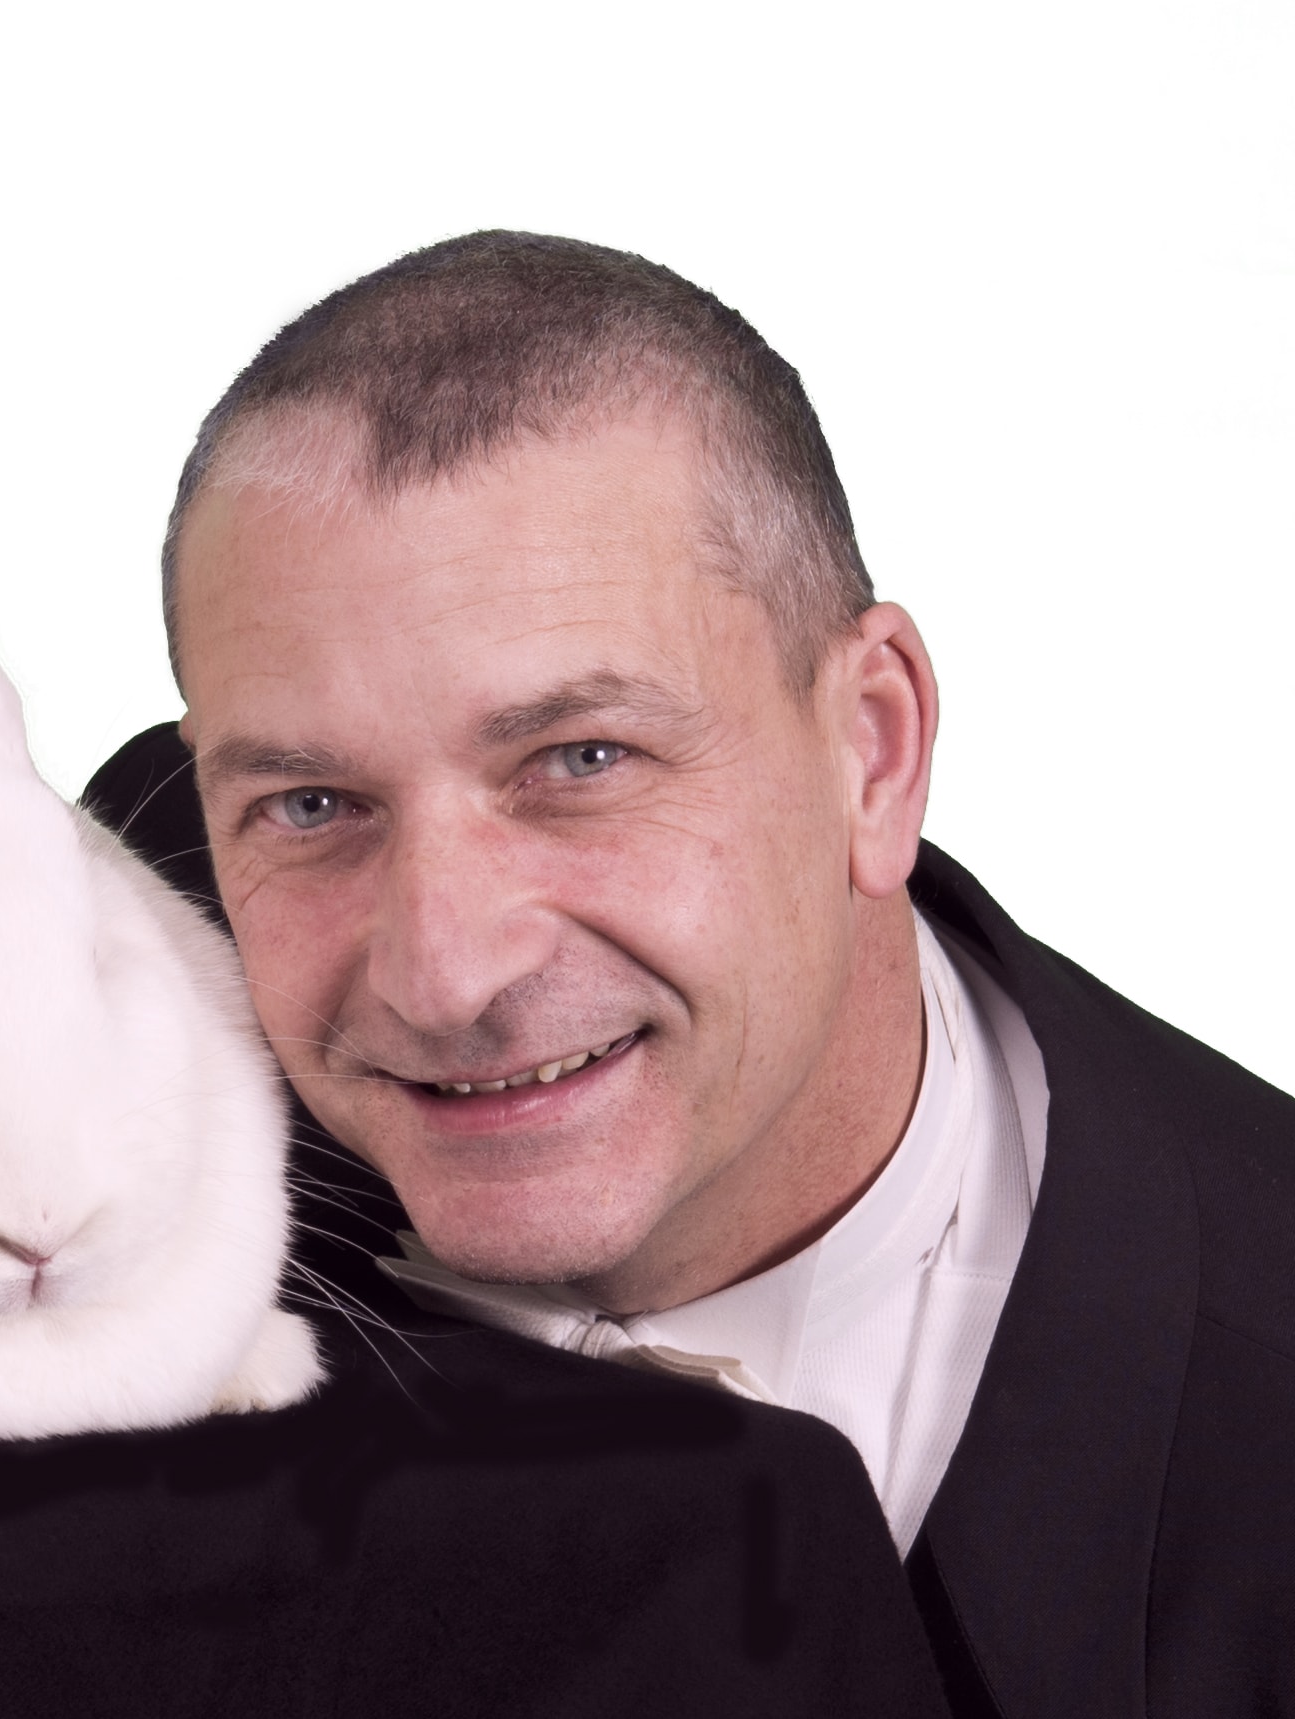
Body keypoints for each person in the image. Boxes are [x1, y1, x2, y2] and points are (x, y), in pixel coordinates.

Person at [89, 231, 1295, 1718]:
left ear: (872, 751)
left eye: (582, 759)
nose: (445, 975)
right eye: (313, 803)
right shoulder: (55, 1019)